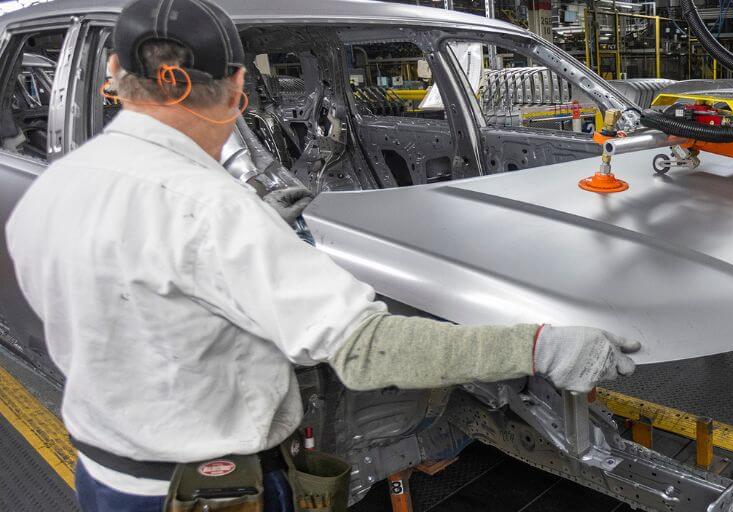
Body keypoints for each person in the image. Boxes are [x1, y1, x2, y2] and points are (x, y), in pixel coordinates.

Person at [3, 0, 640, 510]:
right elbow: (366, 352)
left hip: (105, 473)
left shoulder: (54, 188)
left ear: (117, 80)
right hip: (209, 489)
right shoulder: (217, 211)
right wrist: (541, 348)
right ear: (232, 89)